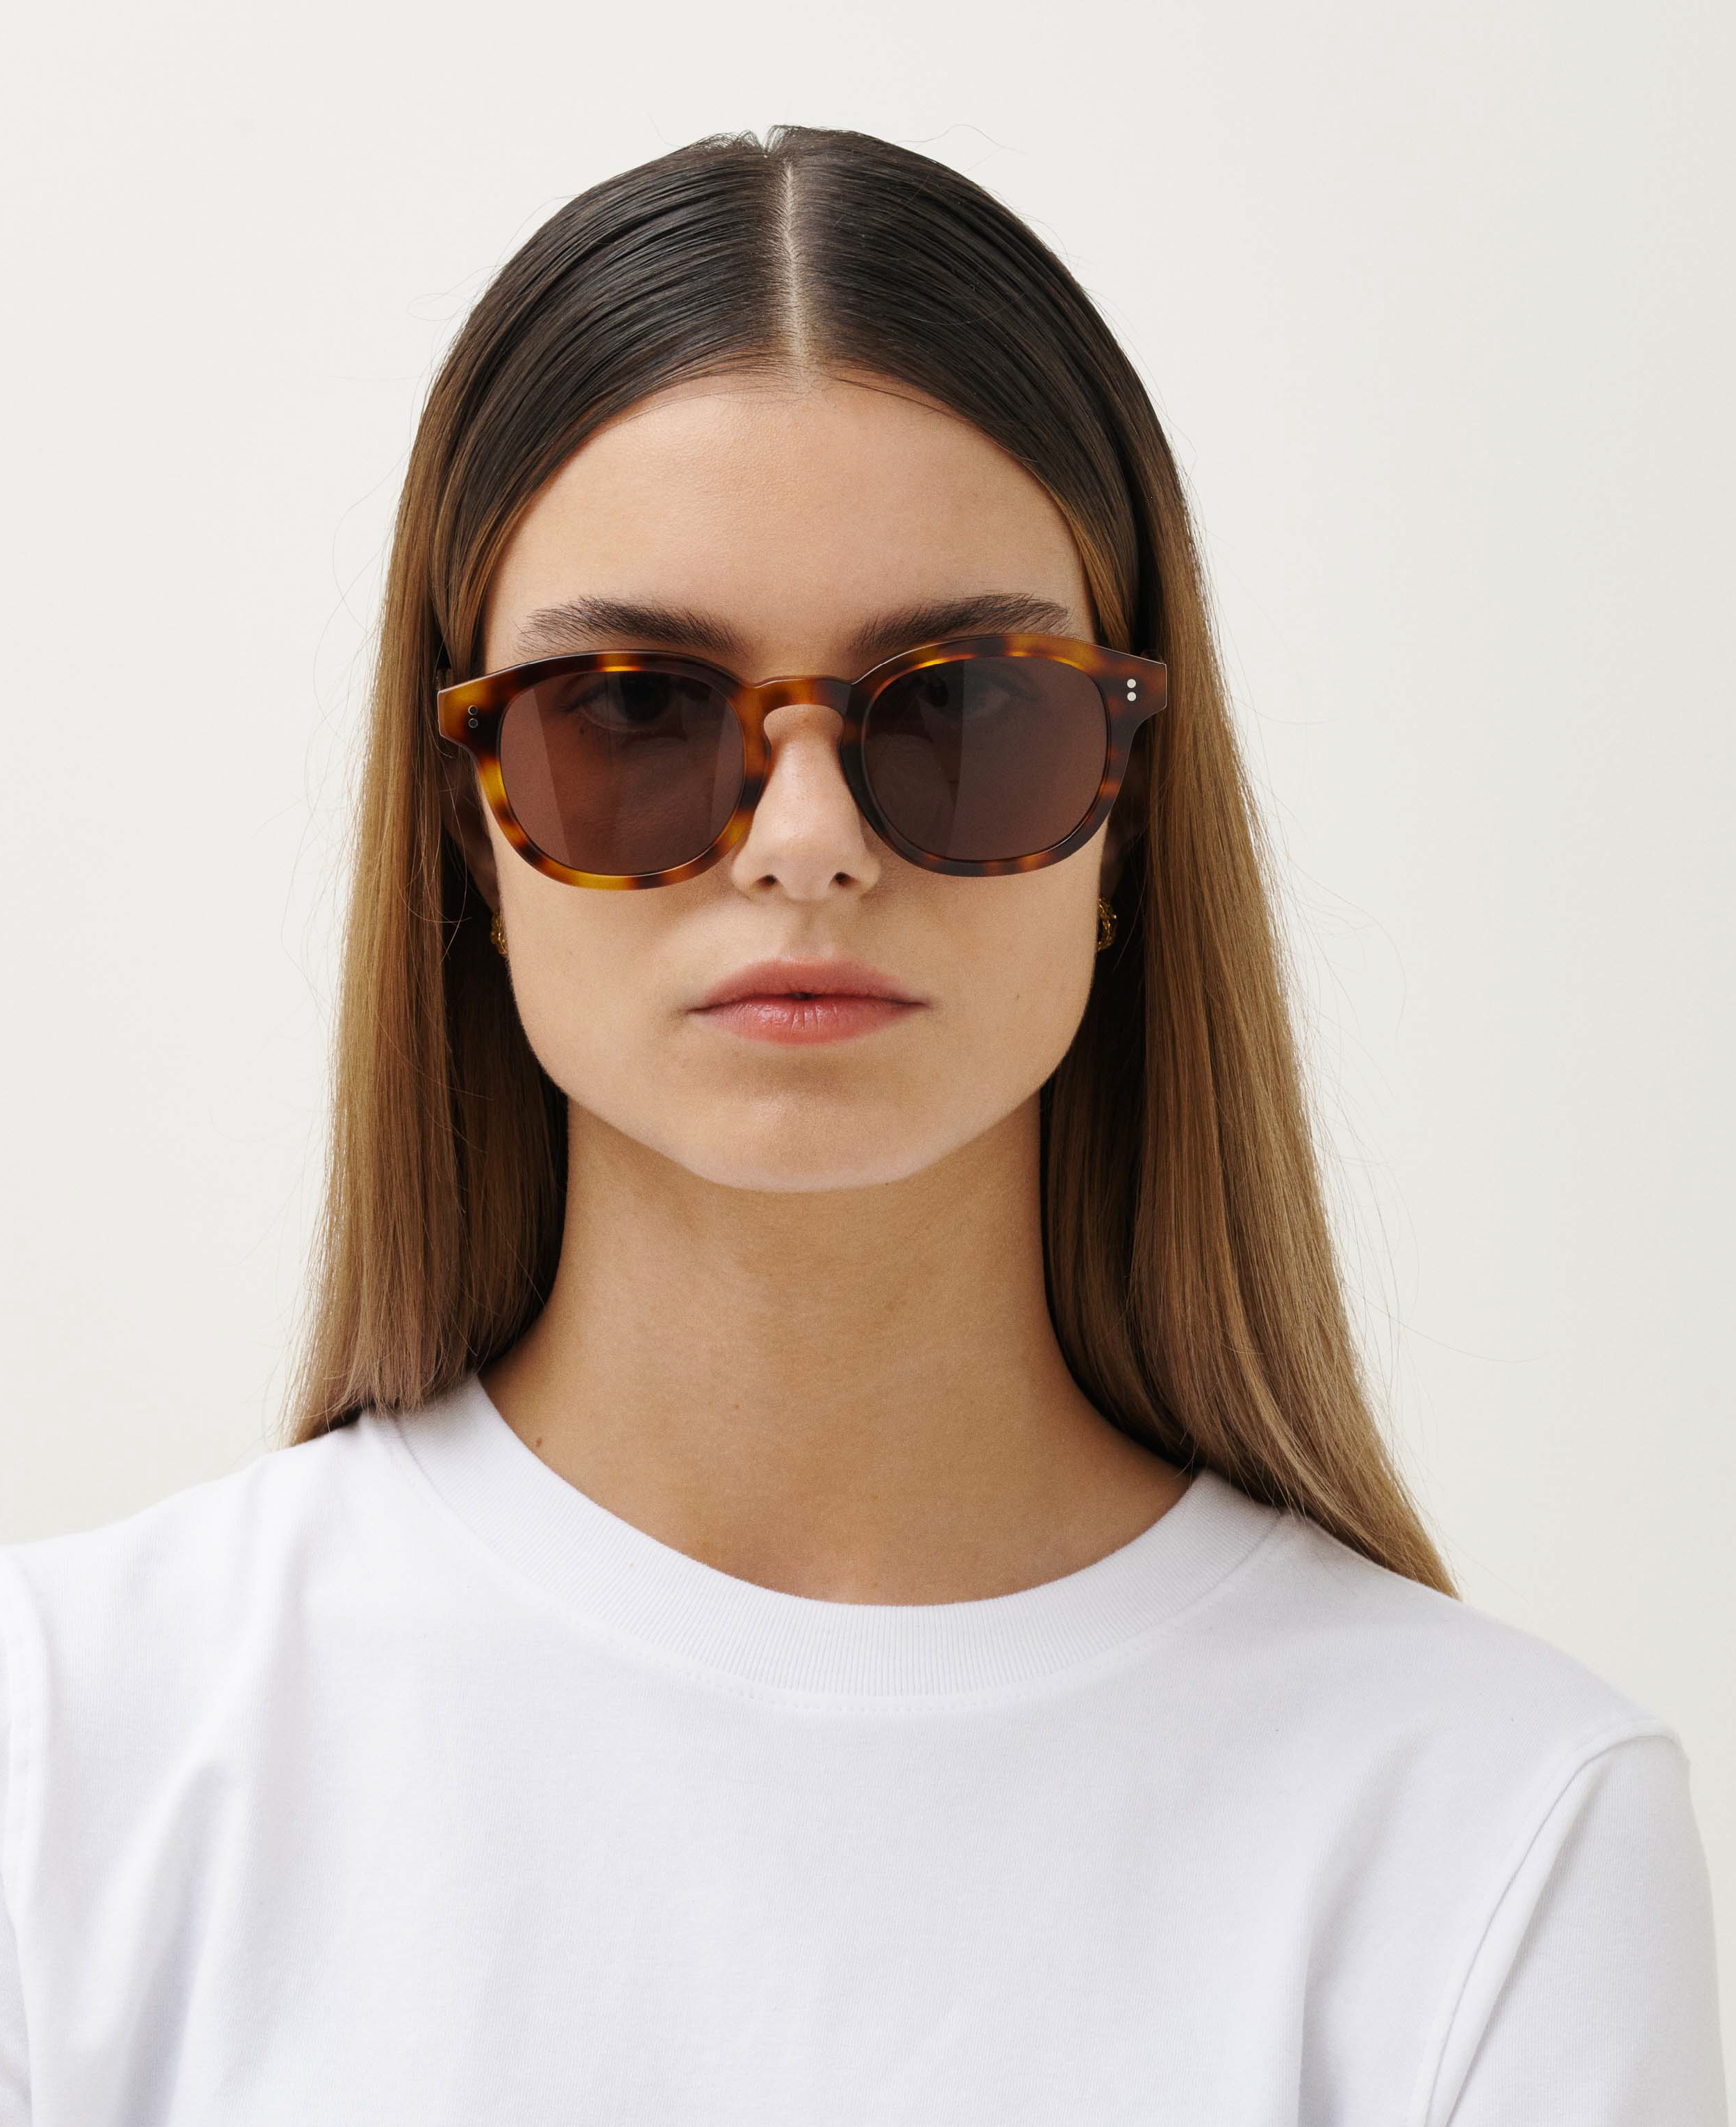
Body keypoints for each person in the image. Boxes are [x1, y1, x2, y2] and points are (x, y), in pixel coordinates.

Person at [0, 124, 1724, 2126]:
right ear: (459, 819)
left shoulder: (1493, 1842)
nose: (806, 845)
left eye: (962, 706)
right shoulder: (65, 1749)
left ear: (1128, 800)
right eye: (631, 713)